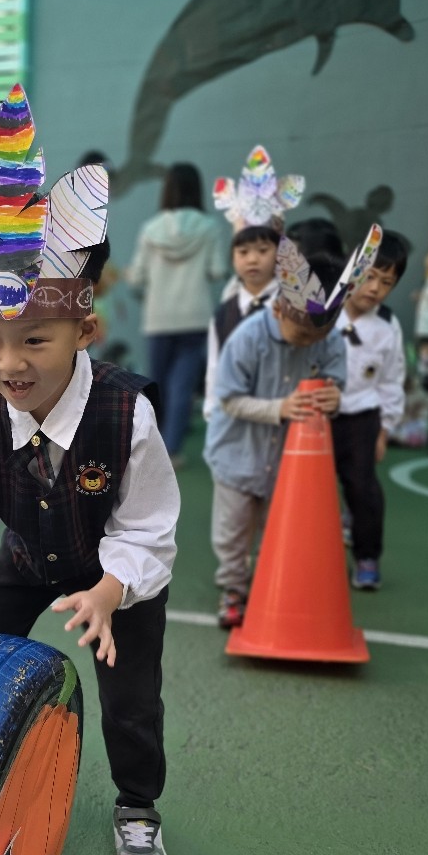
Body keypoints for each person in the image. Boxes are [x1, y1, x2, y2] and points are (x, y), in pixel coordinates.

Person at [0, 86, 180, 855]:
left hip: (116, 575)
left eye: (34, 339)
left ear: (84, 330)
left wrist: (112, 590)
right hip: (26, 558)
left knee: (130, 696)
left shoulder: (127, 415)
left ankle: (138, 806)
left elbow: (150, 526)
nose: (9, 361)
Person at [204, 242, 350, 629]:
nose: (310, 343)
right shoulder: (248, 337)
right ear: (280, 308)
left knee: (281, 529)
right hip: (237, 455)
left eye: (318, 336)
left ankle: (272, 587)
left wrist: (334, 396)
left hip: (288, 462)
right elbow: (229, 398)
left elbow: (335, 381)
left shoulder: (329, 338)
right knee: (233, 532)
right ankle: (233, 588)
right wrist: (279, 408)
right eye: (302, 335)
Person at [126, 162, 227, 462]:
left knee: (156, 385)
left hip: (158, 318)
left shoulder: (150, 228)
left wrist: (130, 275)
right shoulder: (209, 227)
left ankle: (151, 447)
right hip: (195, 316)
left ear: (167, 189)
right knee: (182, 386)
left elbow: (137, 276)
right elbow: (217, 270)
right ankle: (173, 450)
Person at [204, 145, 304, 420]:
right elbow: (216, 362)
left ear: (279, 252)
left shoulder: (292, 299)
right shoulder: (227, 305)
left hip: (283, 412)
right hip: (235, 416)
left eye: (262, 250)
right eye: (243, 252)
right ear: (232, 255)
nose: (253, 260)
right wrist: (212, 410)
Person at [332, 231, 408, 591]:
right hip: (316, 416)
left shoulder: (388, 325)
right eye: (370, 276)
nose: (375, 288)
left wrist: (384, 430)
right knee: (305, 488)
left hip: (362, 418)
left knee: (363, 489)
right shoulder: (324, 309)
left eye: (387, 282)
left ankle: (367, 556)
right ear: (352, 269)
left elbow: (392, 380)